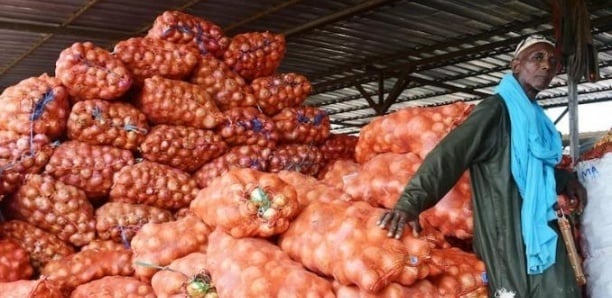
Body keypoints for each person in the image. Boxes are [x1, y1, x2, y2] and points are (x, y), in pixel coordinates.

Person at [378, 35, 587, 298]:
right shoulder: (495, 110)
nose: (547, 65)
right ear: (515, 66)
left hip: (538, 226)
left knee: (563, 291)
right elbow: (450, 154)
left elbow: (532, 169)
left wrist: (563, 179)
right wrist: (410, 202)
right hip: (506, 231)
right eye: (538, 57)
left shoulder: (536, 118)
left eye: (553, 61)